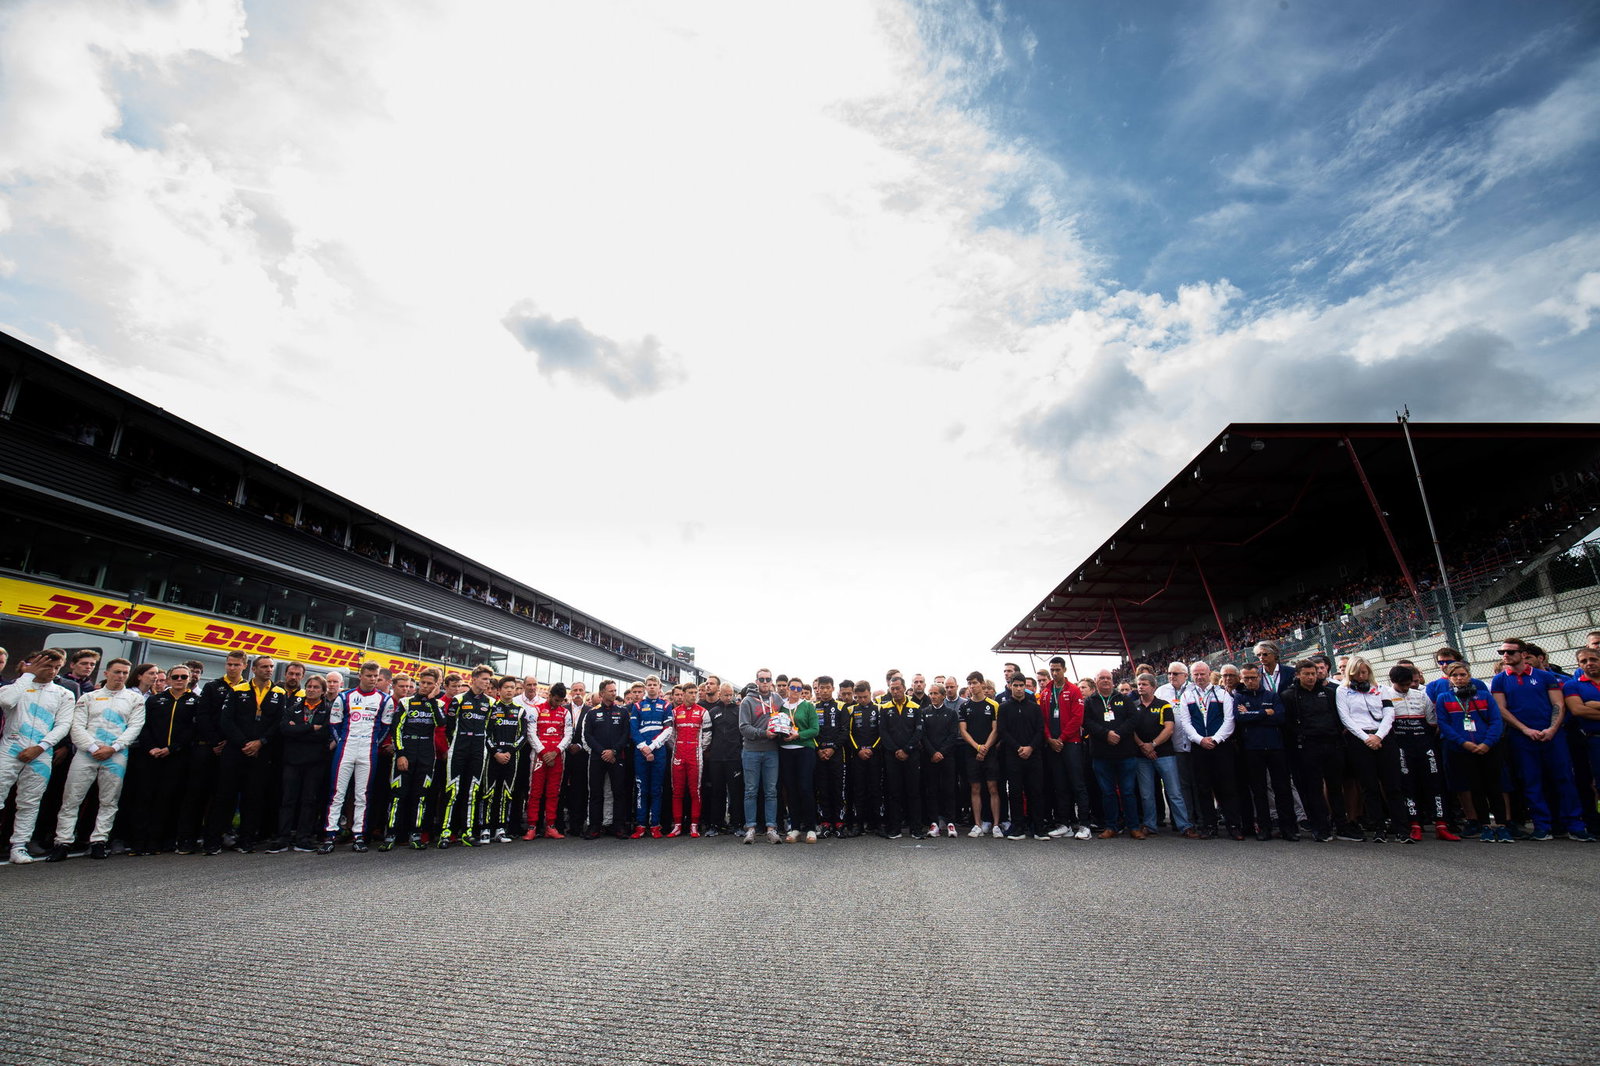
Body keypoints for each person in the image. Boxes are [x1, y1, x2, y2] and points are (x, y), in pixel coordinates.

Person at [47, 658, 146, 861]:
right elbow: (76, 726)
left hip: (116, 755)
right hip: (86, 754)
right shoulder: (89, 697)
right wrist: (93, 747)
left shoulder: (135, 700)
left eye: (125, 673)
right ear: (106, 673)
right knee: (72, 798)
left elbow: (135, 727)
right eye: (117, 672)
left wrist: (113, 748)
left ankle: (99, 841)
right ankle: (63, 841)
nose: (120, 676)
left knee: (109, 800)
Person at [1491, 638, 1587, 841]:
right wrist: (1525, 730)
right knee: (1531, 781)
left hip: (1553, 737)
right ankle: (1542, 826)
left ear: (1523, 654)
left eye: (1509, 652)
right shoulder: (1499, 680)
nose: (1505, 656)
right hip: (1522, 738)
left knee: (1564, 778)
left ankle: (1574, 825)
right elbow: (1501, 708)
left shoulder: (1544, 676)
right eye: (1502, 653)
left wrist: (1552, 729)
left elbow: (1558, 704)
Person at [0, 651, 75, 864]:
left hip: (41, 752)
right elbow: (5, 701)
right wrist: (27, 675)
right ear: (34, 665)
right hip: (10, 747)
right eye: (47, 666)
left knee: (30, 801)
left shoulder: (64, 694)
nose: (52, 671)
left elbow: (63, 725)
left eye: (57, 667)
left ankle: (19, 846)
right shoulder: (15, 688)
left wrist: (41, 747)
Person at [178, 650, 246, 855]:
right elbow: (203, 716)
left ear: (244, 665)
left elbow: (244, 721)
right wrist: (215, 741)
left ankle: (215, 838)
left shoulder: (247, 688)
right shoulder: (212, 686)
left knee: (224, 796)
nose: (232, 668)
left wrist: (230, 742)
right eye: (229, 664)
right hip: (207, 747)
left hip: (232, 750)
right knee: (196, 794)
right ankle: (187, 838)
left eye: (236, 665)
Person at [126, 663, 197, 855]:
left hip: (177, 757)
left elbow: (192, 730)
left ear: (189, 679)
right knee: (144, 798)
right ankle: (138, 842)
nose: (179, 680)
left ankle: (159, 841)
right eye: (175, 677)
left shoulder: (195, 701)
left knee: (168, 799)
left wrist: (172, 748)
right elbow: (144, 725)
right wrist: (152, 748)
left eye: (183, 677)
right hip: (151, 756)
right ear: (168, 679)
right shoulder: (155, 700)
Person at [1282, 658, 1355, 843]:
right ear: (1298, 675)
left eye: (1313, 674)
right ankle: (1320, 827)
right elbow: (1287, 724)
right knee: (1313, 790)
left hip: (1332, 746)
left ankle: (1342, 826)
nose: (1310, 677)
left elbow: (1339, 718)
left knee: (1335, 788)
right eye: (1306, 674)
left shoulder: (1330, 693)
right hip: (1307, 749)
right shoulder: (1288, 696)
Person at [1436, 661, 1510, 842]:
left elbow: (1496, 721)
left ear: (1469, 676)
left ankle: (1502, 825)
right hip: (1463, 750)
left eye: (1462, 675)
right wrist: (1463, 743)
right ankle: (1484, 825)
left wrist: (1487, 743)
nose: (1459, 679)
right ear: (1449, 679)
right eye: (1455, 676)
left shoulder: (1484, 695)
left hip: (1488, 748)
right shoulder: (1444, 698)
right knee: (1475, 788)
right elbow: (1444, 725)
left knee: (1494, 787)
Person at [1385, 664, 1457, 842]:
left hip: (1424, 744)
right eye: (1402, 685)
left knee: (1435, 782)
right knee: (1407, 785)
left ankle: (1441, 824)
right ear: (1393, 682)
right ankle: (1414, 824)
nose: (1405, 688)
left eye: (1408, 685)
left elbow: (1432, 722)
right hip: (1401, 746)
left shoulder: (1421, 695)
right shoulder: (1385, 695)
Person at [1176, 661, 1242, 840]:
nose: (1199, 677)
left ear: (1209, 673)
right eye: (1195, 674)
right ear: (1191, 676)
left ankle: (1234, 825)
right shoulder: (1187, 696)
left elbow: (1229, 720)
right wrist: (1199, 740)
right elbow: (1185, 723)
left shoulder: (1222, 694)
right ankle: (1209, 826)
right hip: (1199, 747)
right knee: (1203, 788)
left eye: (1202, 674)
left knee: (1227, 786)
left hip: (1221, 747)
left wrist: (1215, 739)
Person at [381, 668, 444, 850]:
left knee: (421, 796)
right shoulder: (406, 702)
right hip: (406, 751)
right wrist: (400, 753)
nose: (424, 686)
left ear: (435, 685)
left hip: (426, 754)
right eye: (422, 683)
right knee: (398, 795)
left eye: (429, 684)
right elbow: (396, 729)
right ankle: (391, 833)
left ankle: (415, 834)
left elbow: (441, 723)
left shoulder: (437, 705)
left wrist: (432, 700)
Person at [1232, 664, 1297, 841]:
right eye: (1246, 678)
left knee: (1282, 788)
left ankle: (1288, 828)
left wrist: (1254, 715)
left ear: (1259, 677)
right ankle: (1264, 828)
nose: (1250, 681)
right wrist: (1264, 713)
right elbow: (1240, 719)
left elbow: (1279, 717)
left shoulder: (1272, 695)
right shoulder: (1238, 697)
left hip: (1276, 747)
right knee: (1259, 790)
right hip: (1252, 749)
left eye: (1253, 677)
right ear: (1242, 679)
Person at [270, 674, 332, 853]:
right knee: (287, 800)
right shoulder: (293, 708)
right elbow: (286, 730)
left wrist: (299, 730)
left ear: (323, 691)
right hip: (292, 761)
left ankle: (303, 838)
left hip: (315, 762)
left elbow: (325, 733)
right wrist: (311, 728)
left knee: (309, 801)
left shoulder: (328, 709)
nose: (312, 690)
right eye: (310, 686)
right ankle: (282, 838)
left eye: (316, 687)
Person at [436, 665, 494, 849]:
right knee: (453, 790)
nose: (487, 682)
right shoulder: (458, 700)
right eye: (484, 679)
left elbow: (490, 729)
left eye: (488, 680)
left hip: (478, 750)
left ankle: (467, 832)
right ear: (474, 679)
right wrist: (454, 744)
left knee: (472, 791)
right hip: (459, 749)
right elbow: (449, 726)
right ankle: (446, 832)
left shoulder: (490, 702)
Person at [1131, 672, 1193, 838]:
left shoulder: (1164, 705)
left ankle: (1184, 826)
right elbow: (1131, 730)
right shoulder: (1133, 706)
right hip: (1141, 756)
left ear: (1153, 687)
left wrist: (1153, 745)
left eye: (1144, 684)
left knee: (1174, 792)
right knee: (1146, 794)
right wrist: (1143, 747)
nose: (1140, 687)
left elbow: (1169, 728)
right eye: (1139, 684)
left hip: (1165, 754)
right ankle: (1150, 825)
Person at [1038, 656, 1092, 840]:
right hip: (1052, 745)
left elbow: (1077, 718)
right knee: (1059, 785)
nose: (1054, 673)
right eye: (1052, 670)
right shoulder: (1046, 691)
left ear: (1064, 669)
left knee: (1077, 784)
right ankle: (1064, 824)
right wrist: (1049, 739)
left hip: (1071, 744)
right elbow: (1043, 719)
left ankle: (1084, 825)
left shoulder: (1074, 690)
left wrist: (1061, 738)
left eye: (1057, 670)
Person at [1083, 669, 1138, 838]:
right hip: (1101, 755)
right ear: (1096, 681)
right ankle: (1111, 826)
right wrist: (1106, 734)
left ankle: (1134, 826)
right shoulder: (1089, 702)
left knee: (1128, 792)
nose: (1106, 680)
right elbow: (1086, 722)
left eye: (1108, 678)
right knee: (1107, 793)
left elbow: (1133, 719)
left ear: (1113, 681)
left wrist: (1118, 734)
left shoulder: (1124, 699)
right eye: (1102, 678)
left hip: (1125, 753)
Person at [997, 675, 1047, 840]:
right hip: (1013, 755)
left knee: (1036, 791)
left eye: (1022, 685)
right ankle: (1018, 827)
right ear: (1010, 686)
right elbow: (1002, 731)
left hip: (1033, 755)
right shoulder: (1003, 708)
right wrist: (1018, 748)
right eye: (1016, 685)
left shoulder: (1034, 708)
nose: (1019, 689)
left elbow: (1040, 730)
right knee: (1015, 792)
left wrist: (1030, 747)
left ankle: (1038, 827)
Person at [739, 668, 784, 844]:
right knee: (751, 791)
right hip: (751, 751)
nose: (765, 682)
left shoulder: (777, 699)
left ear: (771, 681)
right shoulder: (747, 701)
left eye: (768, 679)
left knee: (771, 791)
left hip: (772, 751)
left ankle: (771, 828)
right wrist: (764, 733)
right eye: (761, 679)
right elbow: (743, 727)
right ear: (756, 681)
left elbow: (784, 720)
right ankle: (750, 828)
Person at [584, 680, 632, 840]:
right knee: (596, 793)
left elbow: (626, 735)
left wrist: (614, 751)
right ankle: (594, 827)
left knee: (618, 792)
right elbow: (588, 736)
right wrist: (602, 752)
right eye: (610, 691)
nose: (614, 693)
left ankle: (618, 826)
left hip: (616, 757)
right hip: (598, 757)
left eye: (615, 690)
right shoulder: (591, 713)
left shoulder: (623, 712)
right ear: (602, 693)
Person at [523, 681, 572, 840]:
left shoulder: (565, 713)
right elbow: (531, 734)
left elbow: (568, 735)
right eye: (556, 699)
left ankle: (550, 826)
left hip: (557, 757)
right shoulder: (535, 710)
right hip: (538, 757)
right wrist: (544, 752)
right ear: (550, 695)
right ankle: (532, 826)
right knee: (535, 792)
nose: (558, 703)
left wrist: (556, 751)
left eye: (561, 701)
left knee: (553, 793)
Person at [879, 675, 923, 840]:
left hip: (911, 756)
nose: (895, 691)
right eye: (892, 689)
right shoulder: (884, 708)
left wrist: (906, 750)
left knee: (913, 792)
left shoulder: (915, 707)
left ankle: (916, 828)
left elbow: (919, 731)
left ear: (904, 688)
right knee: (894, 792)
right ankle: (895, 828)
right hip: (892, 757)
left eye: (898, 688)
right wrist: (895, 750)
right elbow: (883, 732)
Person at [482, 676, 525, 844]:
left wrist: (510, 751)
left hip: (511, 757)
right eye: (506, 687)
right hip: (493, 757)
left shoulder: (520, 710)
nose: (509, 690)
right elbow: (486, 734)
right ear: (499, 690)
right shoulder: (491, 709)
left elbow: (523, 736)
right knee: (489, 792)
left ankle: (500, 828)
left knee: (506, 793)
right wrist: (495, 752)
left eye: (512, 687)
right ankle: (485, 828)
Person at [959, 671, 1003, 838]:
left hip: (990, 752)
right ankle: (977, 824)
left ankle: (996, 825)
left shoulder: (993, 705)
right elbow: (963, 731)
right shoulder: (964, 706)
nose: (972, 686)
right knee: (975, 788)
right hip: (971, 752)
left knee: (993, 787)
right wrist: (977, 747)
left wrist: (985, 747)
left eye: (975, 683)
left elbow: (996, 729)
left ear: (982, 684)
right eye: (969, 683)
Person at [630, 675, 673, 838]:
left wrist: (653, 746)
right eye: (649, 684)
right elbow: (633, 729)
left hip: (658, 752)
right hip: (641, 753)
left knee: (656, 789)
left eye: (655, 684)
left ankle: (655, 824)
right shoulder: (638, 706)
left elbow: (668, 730)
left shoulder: (666, 705)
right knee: (642, 789)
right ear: (646, 687)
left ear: (659, 686)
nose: (652, 687)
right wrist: (644, 748)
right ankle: (641, 825)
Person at [667, 683, 709, 837]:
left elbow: (707, 736)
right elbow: (670, 736)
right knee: (677, 792)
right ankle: (677, 825)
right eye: (690, 692)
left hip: (695, 756)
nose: (693, 695)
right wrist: (676, 749)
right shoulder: (674, 712)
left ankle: (694, 825)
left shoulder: (703, 712)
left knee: (695, 791)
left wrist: (698, 749)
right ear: (683, 694)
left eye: (695, 692)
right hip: (678, 755)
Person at [701, 682, 743, 837]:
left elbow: (742, 734)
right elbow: (707, 735)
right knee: (717, 792)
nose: (728, 697)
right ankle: (715, 825)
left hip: (734, 758)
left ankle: (736, 824)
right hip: (716, 758)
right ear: (720, 694)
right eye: (725, 694)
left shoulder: (738, 711)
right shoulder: (713, 711)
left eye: (731, 694)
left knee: (735, 792)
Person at [921, 682, 961, 838]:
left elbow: (953, 735)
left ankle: (950, 822)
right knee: (932, 790)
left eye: (935, 693)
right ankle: (934, 823)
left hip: (947, 757)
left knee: (949, 789)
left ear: (943, 695)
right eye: (930, 694)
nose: (932, 696)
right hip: (930, 758)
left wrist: (941, 752)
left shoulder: (951, 714)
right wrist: (933, 752)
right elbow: (923, 735)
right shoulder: (924, 712)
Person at [845, 679, 883, 838]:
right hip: (858, 756)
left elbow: (883, 732)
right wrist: (858, 750)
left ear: (869, 693)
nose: (862, 700)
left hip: (875, 755)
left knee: (876, 790)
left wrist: (872, 749)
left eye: (865, 697)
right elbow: (849, 733)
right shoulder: (851, 710)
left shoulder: (879, 709)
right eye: (859, 697)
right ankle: (858, 824)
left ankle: (878, 824)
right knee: (858, 790)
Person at [812, 676, 849, 838]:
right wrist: (819, 749)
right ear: (818, 689)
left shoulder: (841, 707)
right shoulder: (813, 707)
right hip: (819, 755)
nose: (825, 690)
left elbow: (845, 731)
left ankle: (839, 823)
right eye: (822, 688)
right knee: (822, 789)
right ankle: (825, 823)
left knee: (837, 789)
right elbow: (812, 731)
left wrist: (833, 748)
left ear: (833, 688)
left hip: (836, 755)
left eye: (828, 687)